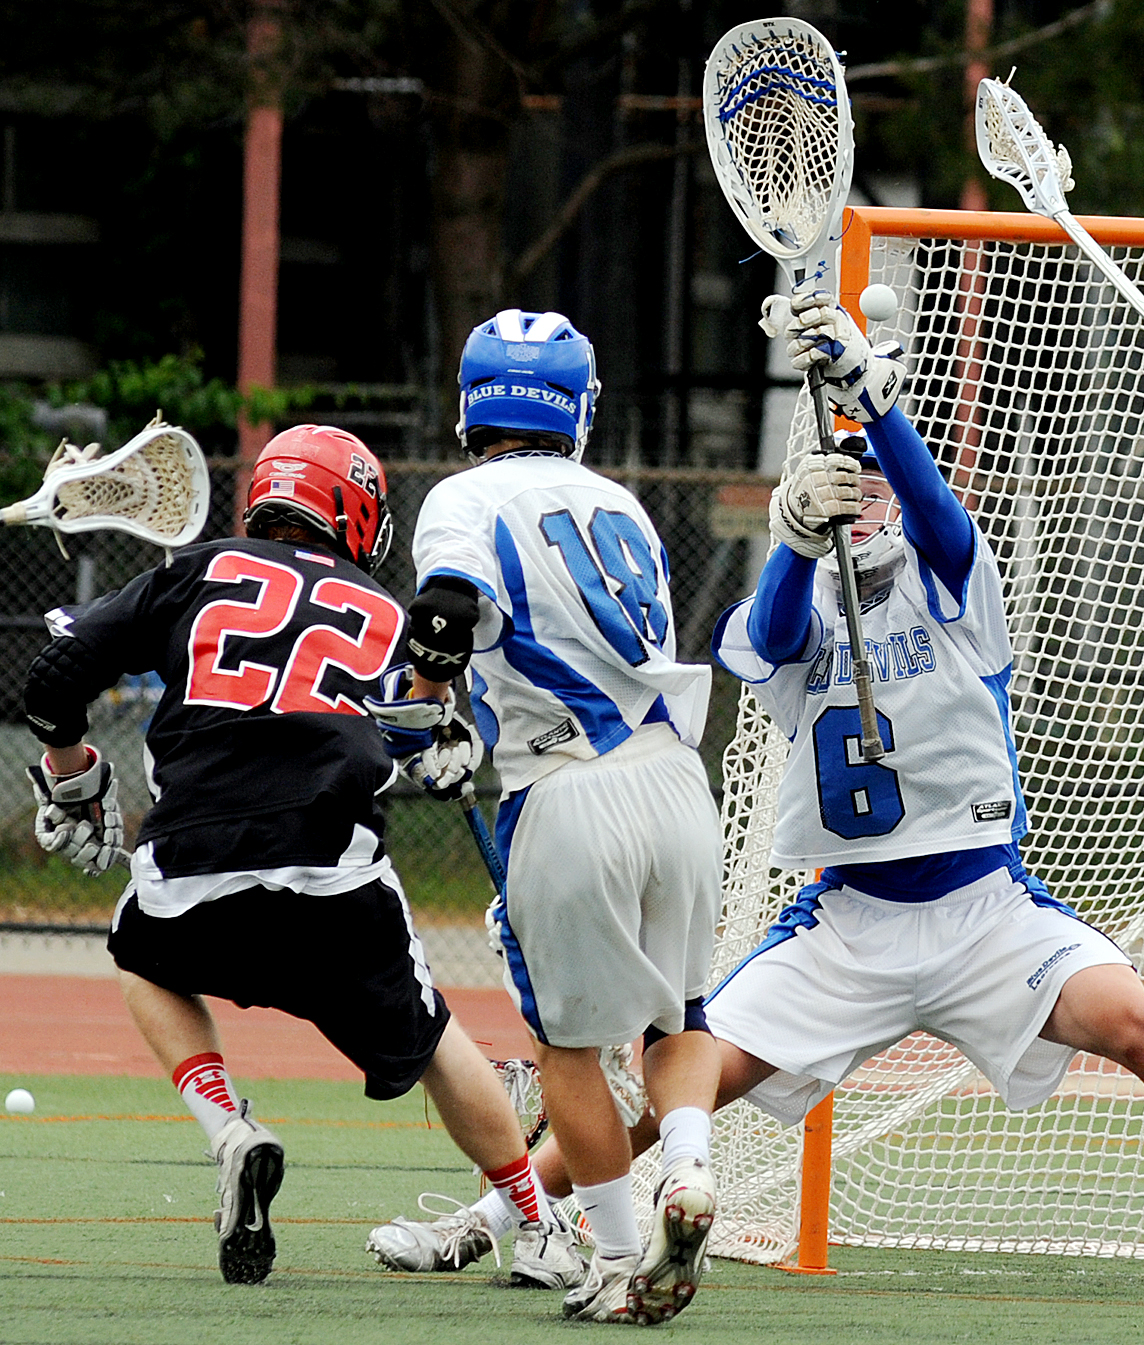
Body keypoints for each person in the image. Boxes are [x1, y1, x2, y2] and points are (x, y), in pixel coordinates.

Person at [440, 291, 1144, 1300]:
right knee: (683, 1087)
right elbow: (773, 635)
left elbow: (940, 515)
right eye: (847, 486)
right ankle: (498, 1214)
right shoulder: (791, 607)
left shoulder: (954, 586)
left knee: (1142, 1026)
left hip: (985, 910)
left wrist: (877, 410)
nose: (866, 502)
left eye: (876, 487)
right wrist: (796, 539)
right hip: (846, 922)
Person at [22, 424, 566, 1287]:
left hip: (191, 861)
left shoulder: (197, 570)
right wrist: (443, 741)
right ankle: (536, 1225)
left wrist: (72, 770)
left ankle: (228, 1129)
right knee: (434, 1040)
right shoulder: (386, 611)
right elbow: (418, 738)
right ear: (354, 513)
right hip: (330, 871)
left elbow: (51, 682)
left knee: (138, 953)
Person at [364, 309, 724, 1326]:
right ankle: (687, 1167)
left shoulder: (466, 494)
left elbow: (446, 608)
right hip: (675, 777)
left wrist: (426, 702)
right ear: (577, 407)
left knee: (568, 1048)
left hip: (565, 786)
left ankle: (615, 1257)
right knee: (681, 1017)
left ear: (472, 403)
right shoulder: (622, 502)